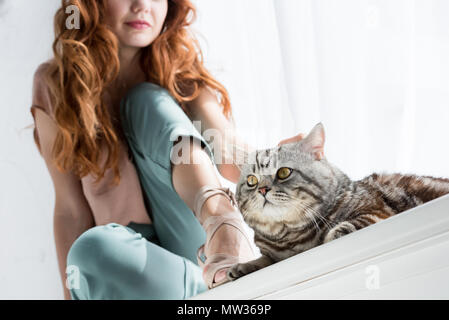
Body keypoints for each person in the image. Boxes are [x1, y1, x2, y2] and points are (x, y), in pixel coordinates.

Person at [30, 0, 304, 300]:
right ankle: (219, 294)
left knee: (146, 100)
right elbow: (70, 211)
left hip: (199, 246)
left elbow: (225, 148)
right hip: (133, 265)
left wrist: (278, 167)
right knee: (90, 250)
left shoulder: (180, 72)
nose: (142, 5)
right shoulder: (56, 84)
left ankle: (221, 219)